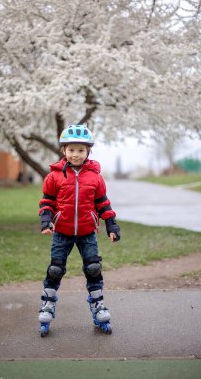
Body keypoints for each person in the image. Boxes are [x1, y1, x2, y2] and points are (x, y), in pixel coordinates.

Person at [38, 124, 120, 335]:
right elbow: (47, 201)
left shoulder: (95, 177)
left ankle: (98, 305)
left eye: (81, 150)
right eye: (71, 149)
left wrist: (111, 224)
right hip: (62, 232)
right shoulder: (54, 176)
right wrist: (46, 220)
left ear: (88, 152)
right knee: (56, 269)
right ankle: (47, 303)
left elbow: (103, 203)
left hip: (86, 233)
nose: (76, 154)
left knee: (93, 268)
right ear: (64, 151)